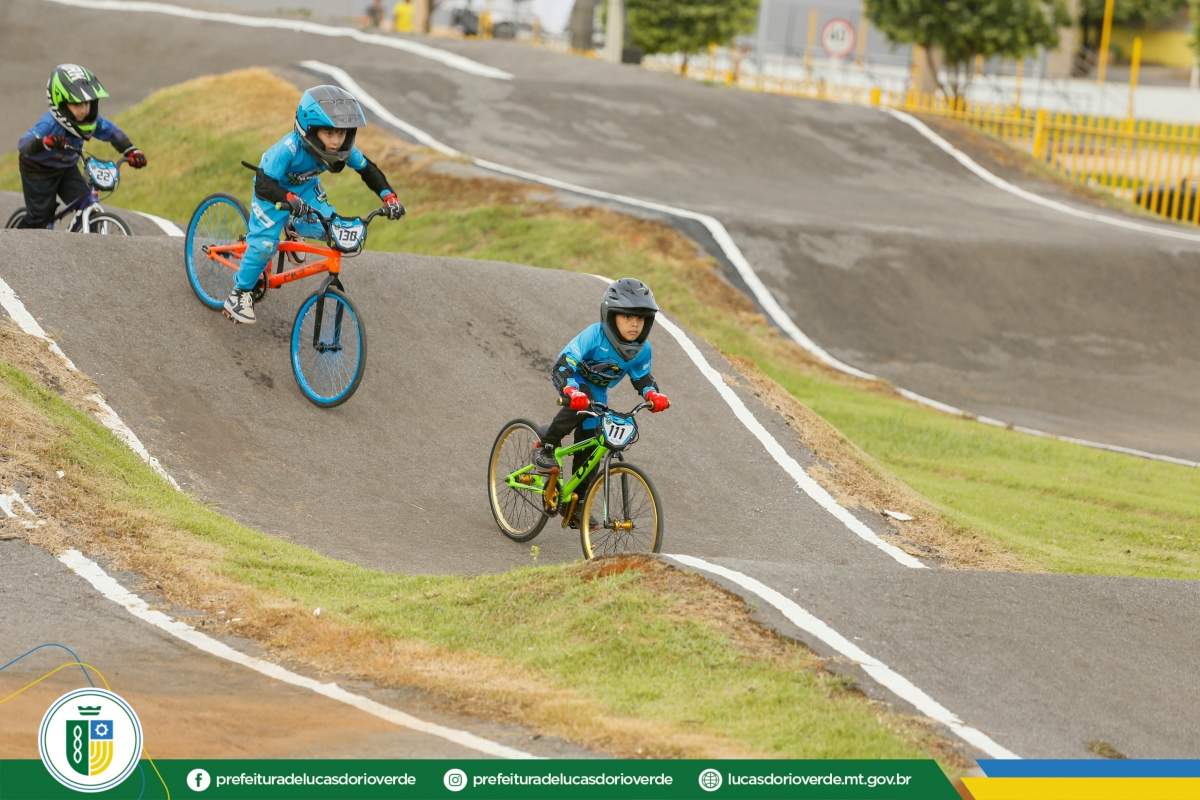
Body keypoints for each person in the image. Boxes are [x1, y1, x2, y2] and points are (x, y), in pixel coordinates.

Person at [225, 85, 405, 324]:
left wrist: (389, 197)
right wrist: (288, 199)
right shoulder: (288, 149)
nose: (336, 141)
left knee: (331, 227)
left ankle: (293, 227)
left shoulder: (343, 149)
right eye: (329, 133)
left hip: (307, 190)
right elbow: (264, 184)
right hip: (273, 192)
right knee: (265, 246)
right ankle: (239, 294)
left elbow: (368, 170)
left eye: (341, 134)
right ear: (309, 129)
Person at [533, 278, 670, 525]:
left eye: (641, 318)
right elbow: (564, 362)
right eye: (627, 317)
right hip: (571, 378)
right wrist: (571, 390)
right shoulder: (594, 335)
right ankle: (546, 446)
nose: (635, 324)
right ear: (611, 316)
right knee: (582, 404)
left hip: (598, 391)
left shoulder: (643, 350)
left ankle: (575, 503)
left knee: (593, 446)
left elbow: (642, 377)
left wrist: (653, 394)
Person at [16, 64, 147, 229]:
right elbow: (23, 144)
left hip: (66, 168)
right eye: (77, 104)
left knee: (89, 207)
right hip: (38, 169)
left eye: (88, 103)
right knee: (40, 217)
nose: (84, 110)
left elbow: (112, 132)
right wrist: (46, 142)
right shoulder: (49, 123)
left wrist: (131, 150)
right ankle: (11, 241)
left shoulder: (89, 121)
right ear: (61, 103)